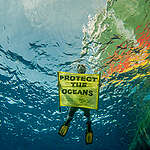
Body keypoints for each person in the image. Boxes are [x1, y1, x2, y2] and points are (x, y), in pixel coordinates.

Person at [58, 64, 93, 144]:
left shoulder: (89, 80)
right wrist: (61, 86)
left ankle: (88, 126)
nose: (81, 68)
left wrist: (98, 85)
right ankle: (67, 123)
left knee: (88, 116)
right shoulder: (72, 79)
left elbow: (93, 89)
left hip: (84, 102)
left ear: (85, 70)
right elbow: (67, 88)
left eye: (82, 67)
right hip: (75, 101)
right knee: (70, 116)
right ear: (77, 70)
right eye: (79, 67)